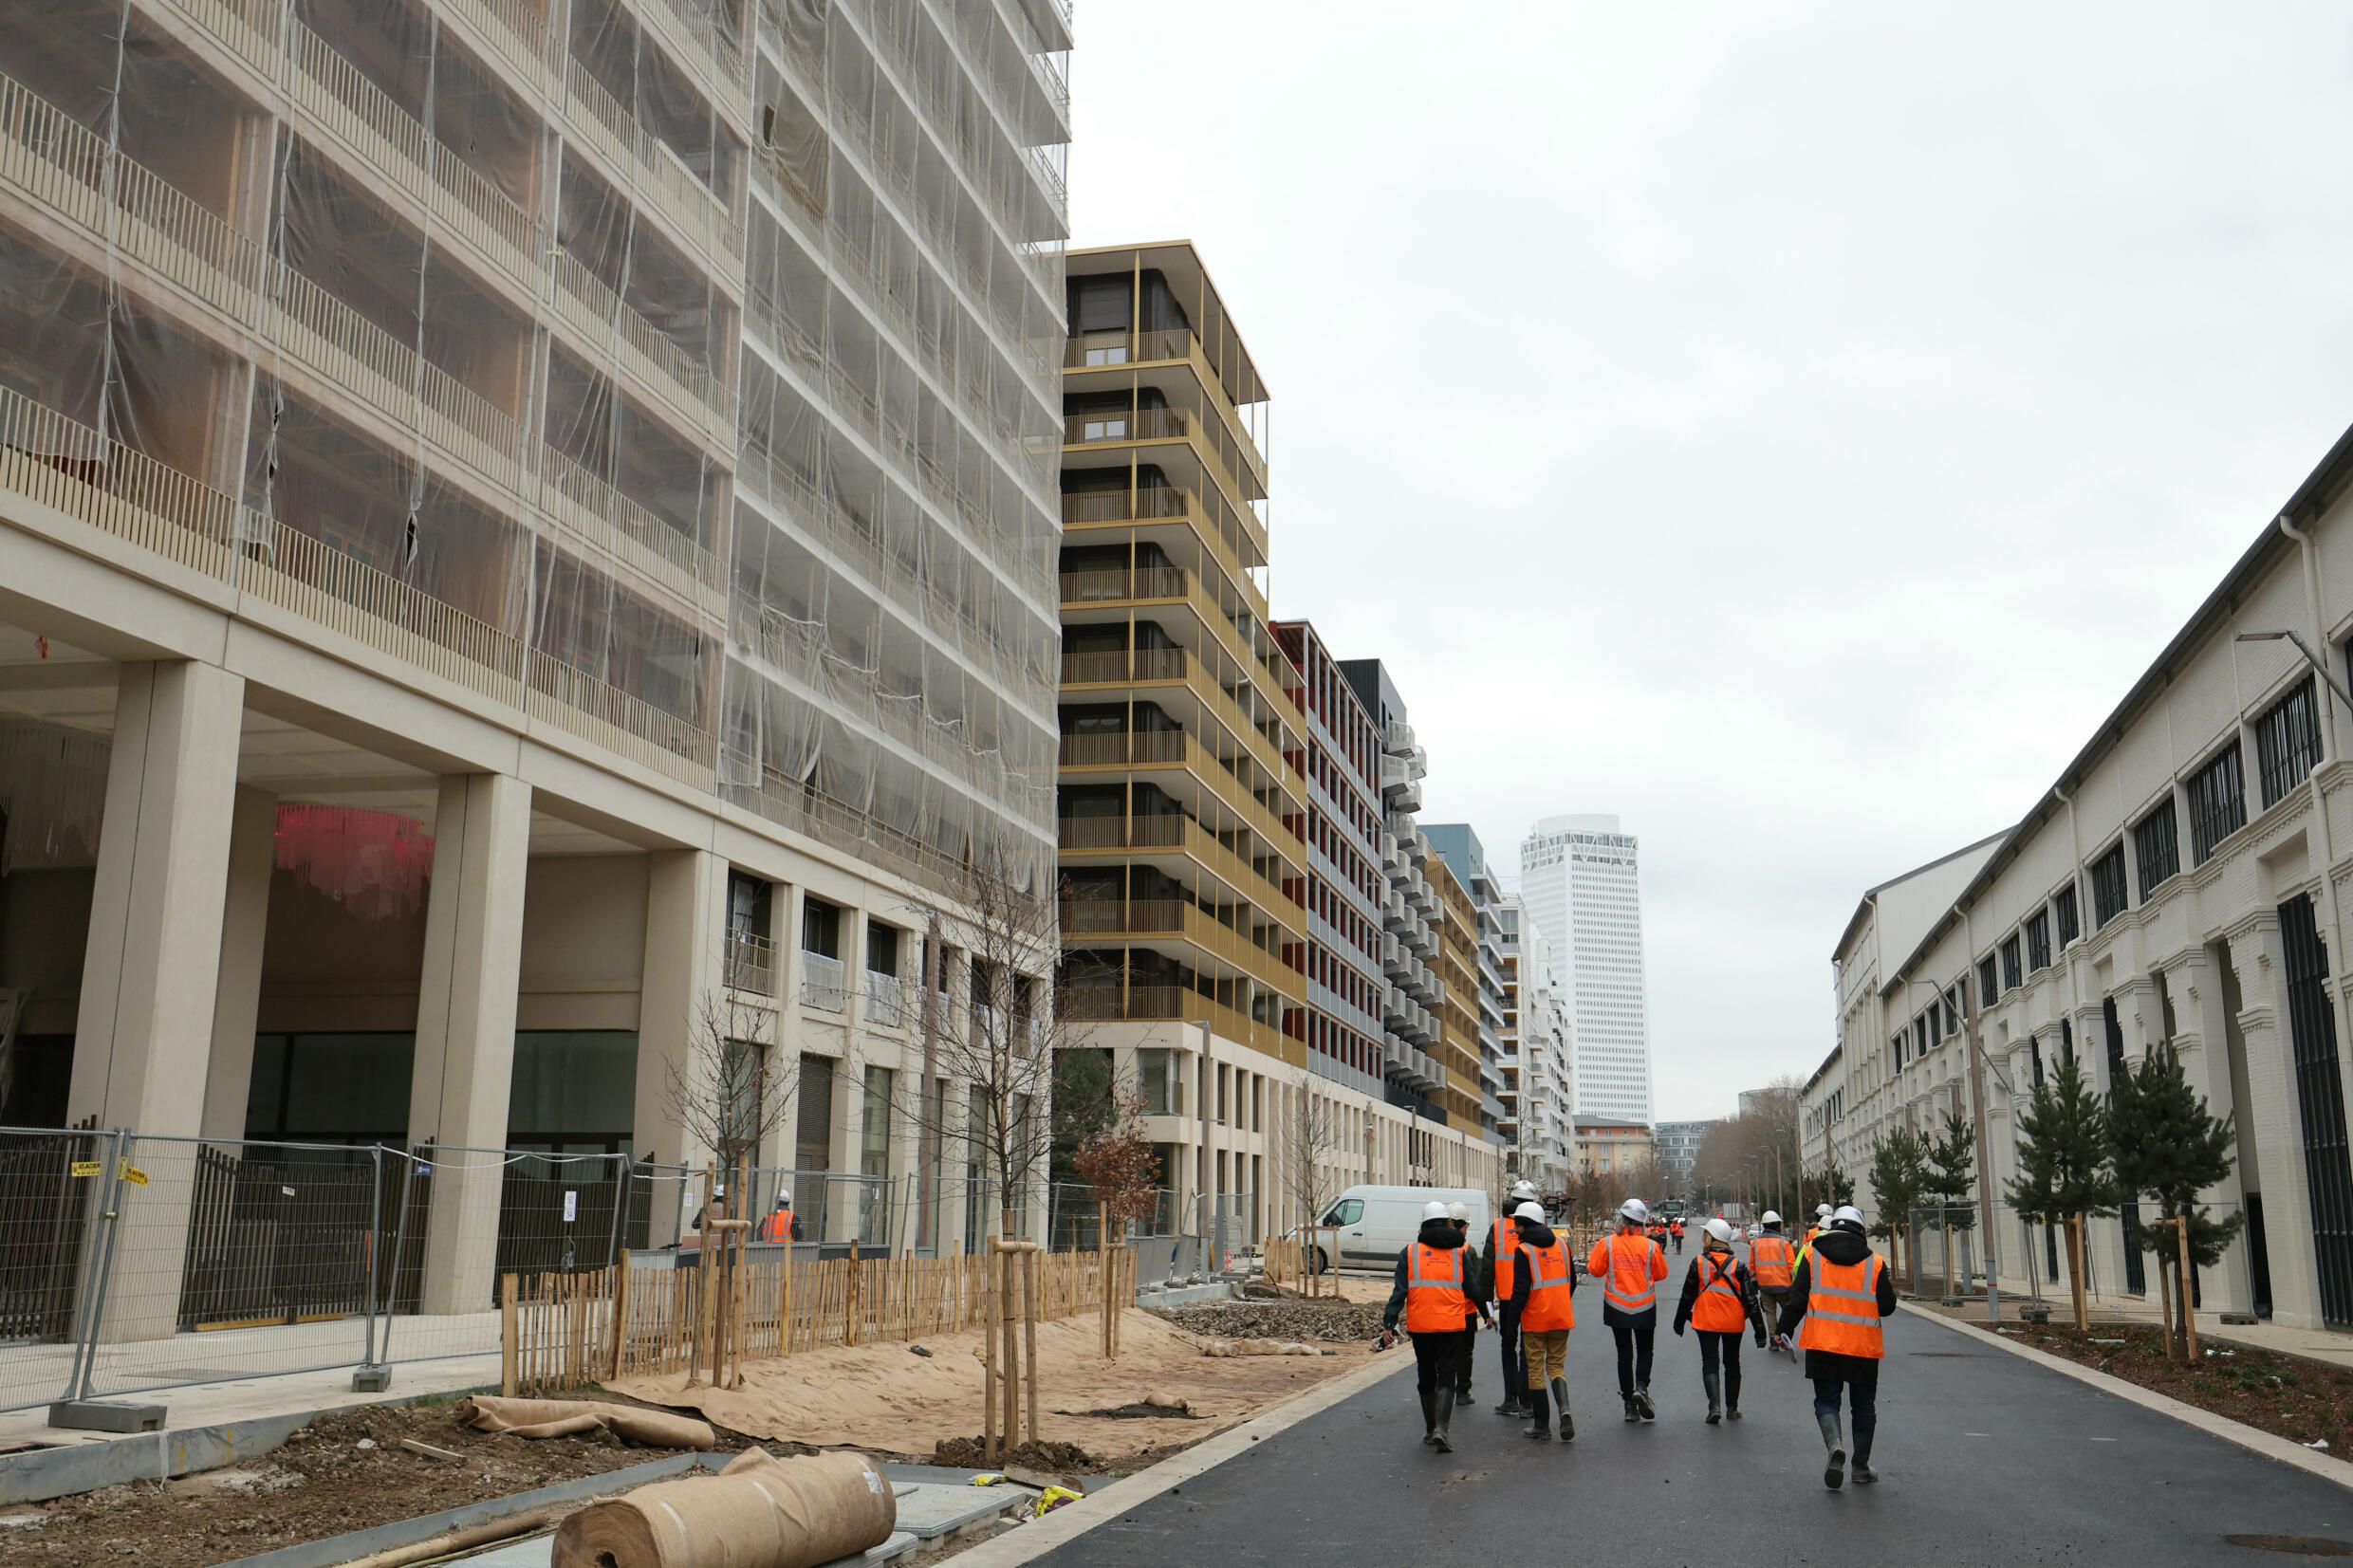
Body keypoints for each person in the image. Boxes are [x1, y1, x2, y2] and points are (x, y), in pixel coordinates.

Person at [1777, 1204, 1898, 1488]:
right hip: (1862, 1348)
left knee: (1827, 1401)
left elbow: (1797, 1299)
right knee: (1863, 1406)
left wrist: (1783, 1330)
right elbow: (1888, 1306)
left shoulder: (1811, 1255)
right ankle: (1860, 1467)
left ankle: (1834, 1446)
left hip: (1823, 1344)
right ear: (1861, 1231)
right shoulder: (1875, 1262)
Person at [1381, 1200, 1490, 1452]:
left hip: (1421, 1325)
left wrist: (1389, 1322)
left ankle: (1431, 1430)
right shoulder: (1459, 1253)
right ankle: (1442, 1428)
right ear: (1447, 1222)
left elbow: (1399, 1292)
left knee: (1426, 1376)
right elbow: (1472, 1288)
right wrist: (1486, 1313)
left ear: (1423, 1224)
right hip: (1452, 1324)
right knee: (1448, 1377)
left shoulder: (1409, 1253)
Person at [1673, 1218, 1766, 1423]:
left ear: (1711, 1238)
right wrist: (1761, 1333)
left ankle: (1714, 1406)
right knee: (1732, 1364)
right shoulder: (1738, 1265)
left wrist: (1679, 1322)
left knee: (1710, 1363)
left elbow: (1687, 1296)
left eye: (1705, 1234)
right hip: (1733, 1323)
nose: (1703, 1237)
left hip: (1706, 1321)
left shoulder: (1698, 1262)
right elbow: (1751, 1300)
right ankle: (1732, 1408)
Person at [1586, 1197, 1670, 1421]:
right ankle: (1641, 1388)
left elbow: (1594, 1269)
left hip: (1617, 1307)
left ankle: (1629, 1407)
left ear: (1621, 1219)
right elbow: (1661, 1274)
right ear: (1642, 1223)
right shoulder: (1651, 1246)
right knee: (1645, 1350)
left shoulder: (1608, 1243)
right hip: (1644, 1306)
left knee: (1624, 1354)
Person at [1504, 1201, 1576, 1442]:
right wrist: (1561, 1303)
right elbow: (1571, 1280)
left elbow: (1520, 1292)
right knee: (1556, 1367)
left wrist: (1510, 1324)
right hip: (1561, 1316)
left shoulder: (1524, 1251)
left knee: (1535, 1370)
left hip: (1535, 1321)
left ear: (1524, 1225)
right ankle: (1564, 1410)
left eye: (1516, 1225)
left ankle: (1542, 1426)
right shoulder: (1563, 1246)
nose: (1514, 1230)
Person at [1484, 1180, 1541, 1415]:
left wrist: (1487, 1308)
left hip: (1506, 1299)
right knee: (1528, 1350)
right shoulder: (1538, 1226)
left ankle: (1511, 1399)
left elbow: (1486, 1270)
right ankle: (1527, 1403)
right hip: (1531, 1299)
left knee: (1507, 1345)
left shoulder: (1497, 1227)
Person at [1447, 1201, 1481, 1401]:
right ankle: (1462, 1391)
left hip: (1444, 1311)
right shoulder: (1468, 1250)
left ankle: (1443, 1388)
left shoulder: (1435, 1248)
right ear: (1462, 1226)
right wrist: (1486, 1314)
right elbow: (1474, 1286)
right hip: (1465, 1312)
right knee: (1465, 1353)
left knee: (1444, 1353)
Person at [1750, 1210, 1797, 1352]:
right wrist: (1796, 1284)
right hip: (1784, 1286)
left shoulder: (1755, 1243)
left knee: (1770, 1314)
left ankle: (1773, 1341)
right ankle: (1784, 1338)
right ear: (1778, 1225)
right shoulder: (1784, 1243)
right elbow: (1792, 1267)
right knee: (1788, 1313)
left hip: (1765, 1286)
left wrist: (1754, 1284)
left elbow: (1752, 1267)